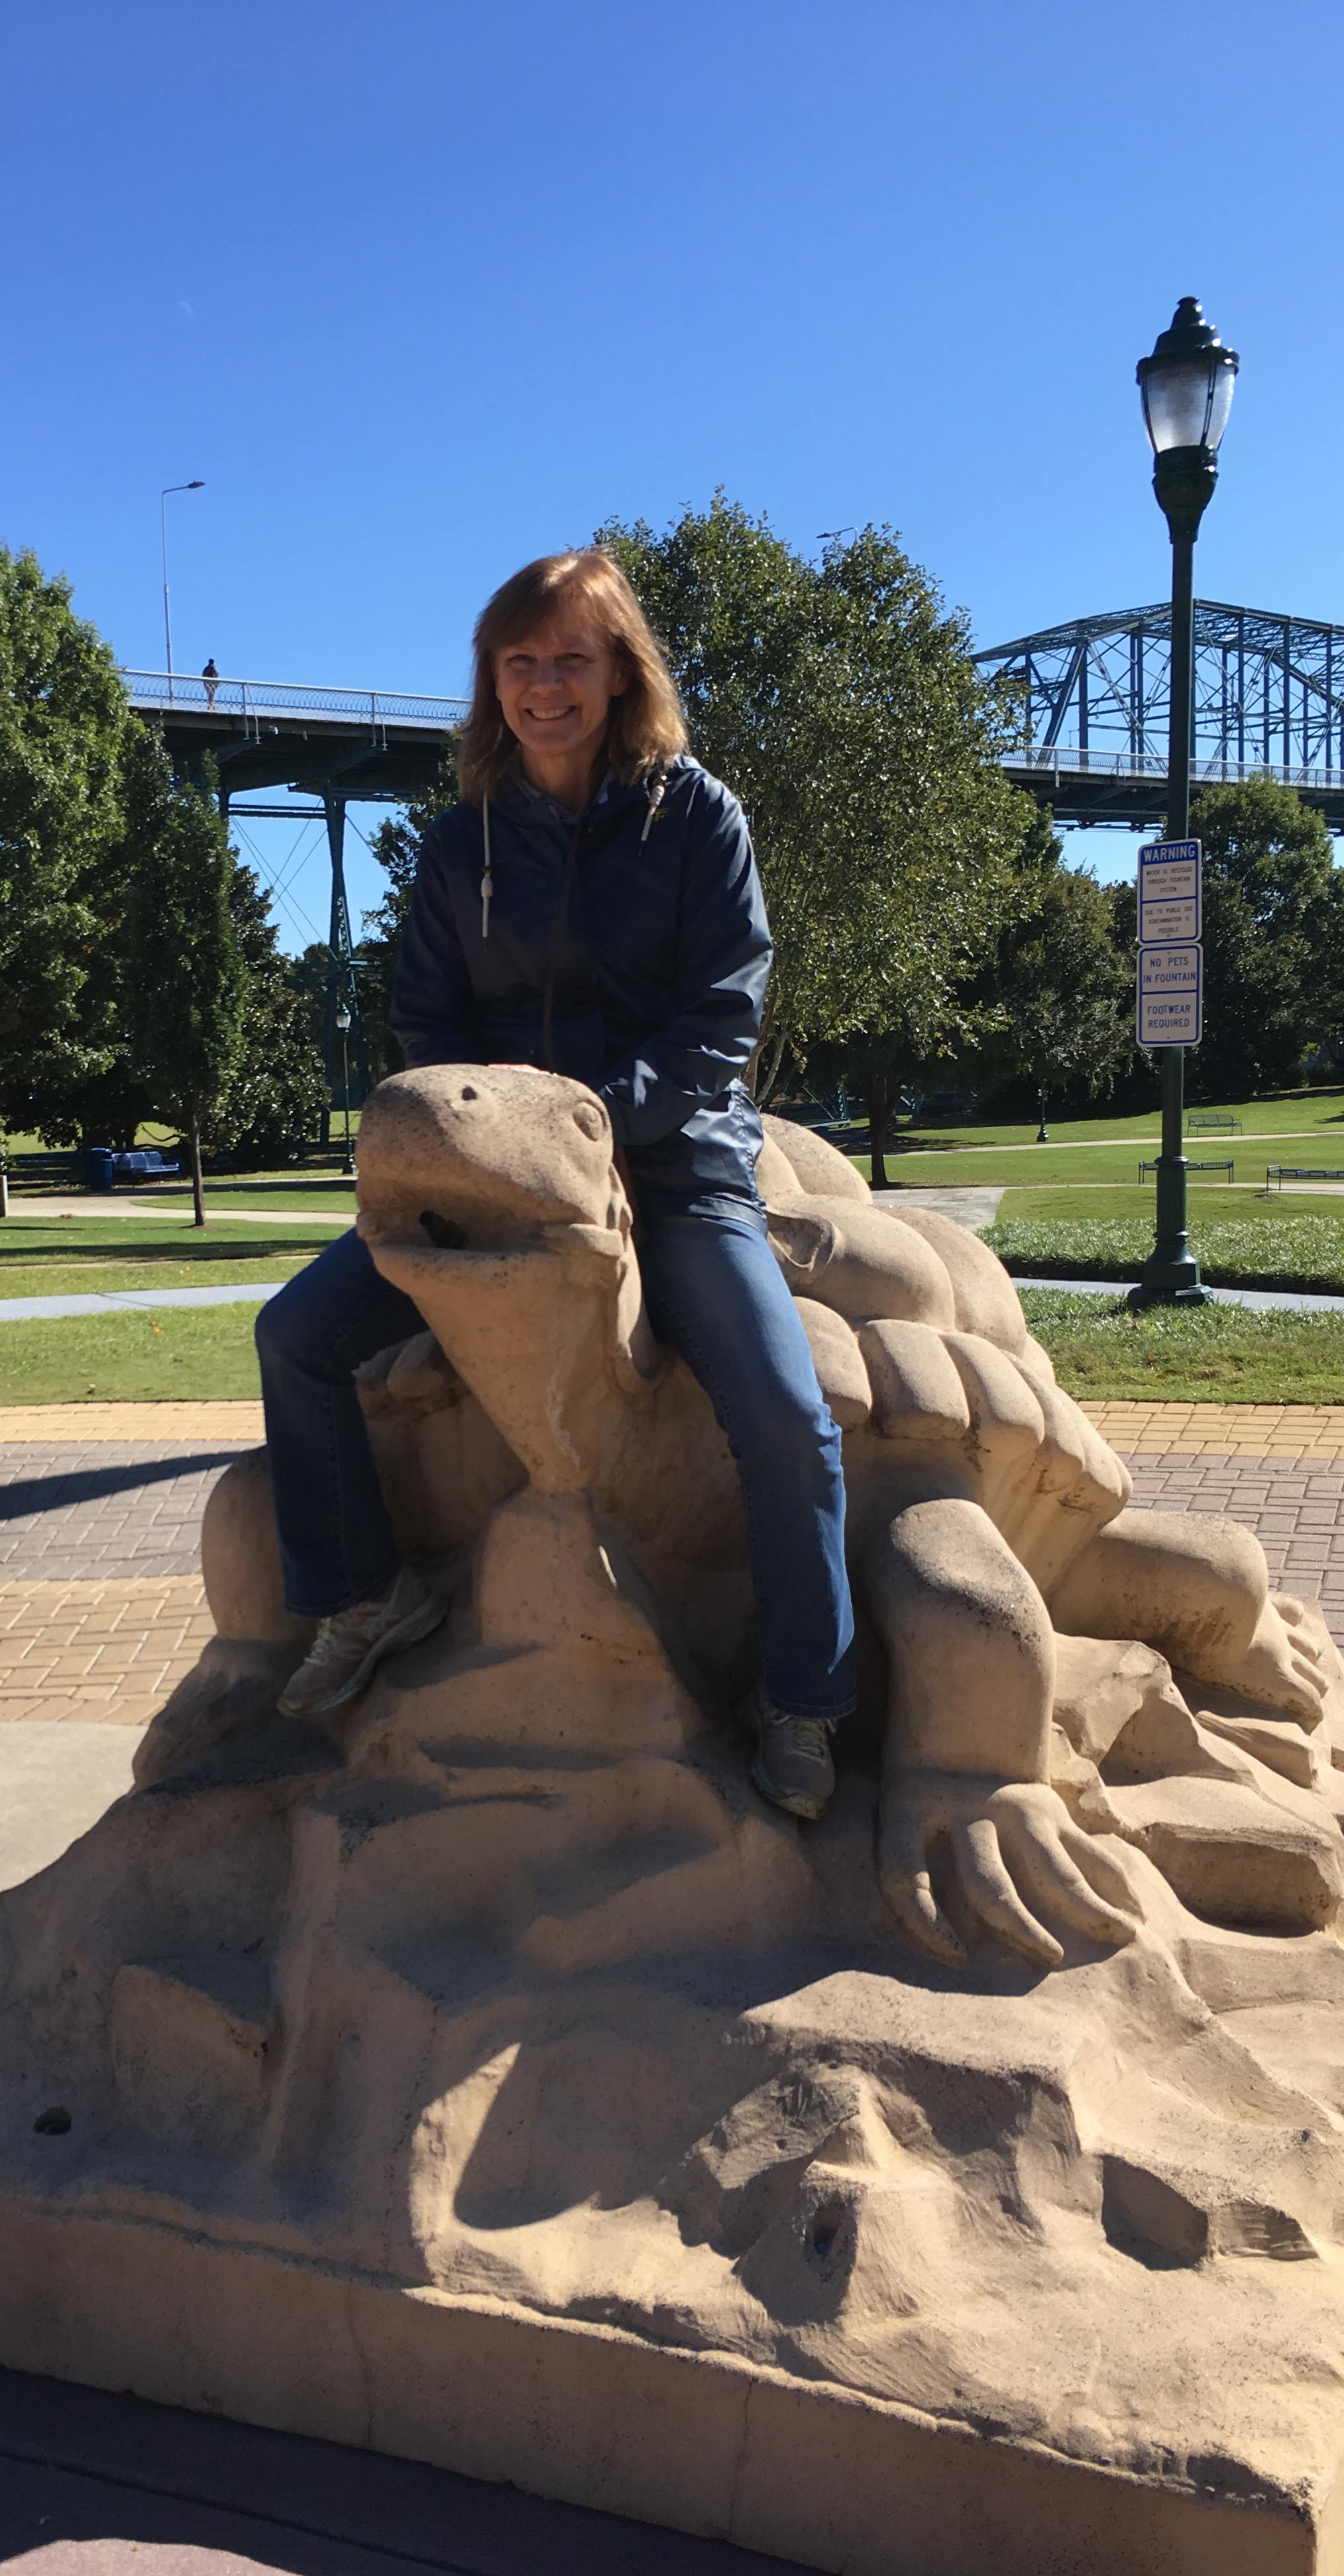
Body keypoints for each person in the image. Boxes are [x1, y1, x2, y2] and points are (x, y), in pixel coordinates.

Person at [252, 549, 854, 1819]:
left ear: (621, 672)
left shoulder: (698, 818)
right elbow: (427, 1024)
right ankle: (364, 1592)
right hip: (502, 1175)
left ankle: (805, 1696)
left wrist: (596, 1124)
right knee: (296, 1336)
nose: (543, 687)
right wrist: (506, 1137)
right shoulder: (461, 839)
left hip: (675, 1161)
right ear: (492, 682)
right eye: (518, 663)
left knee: (787, 1413)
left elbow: (719, 1025)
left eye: (569, 660)